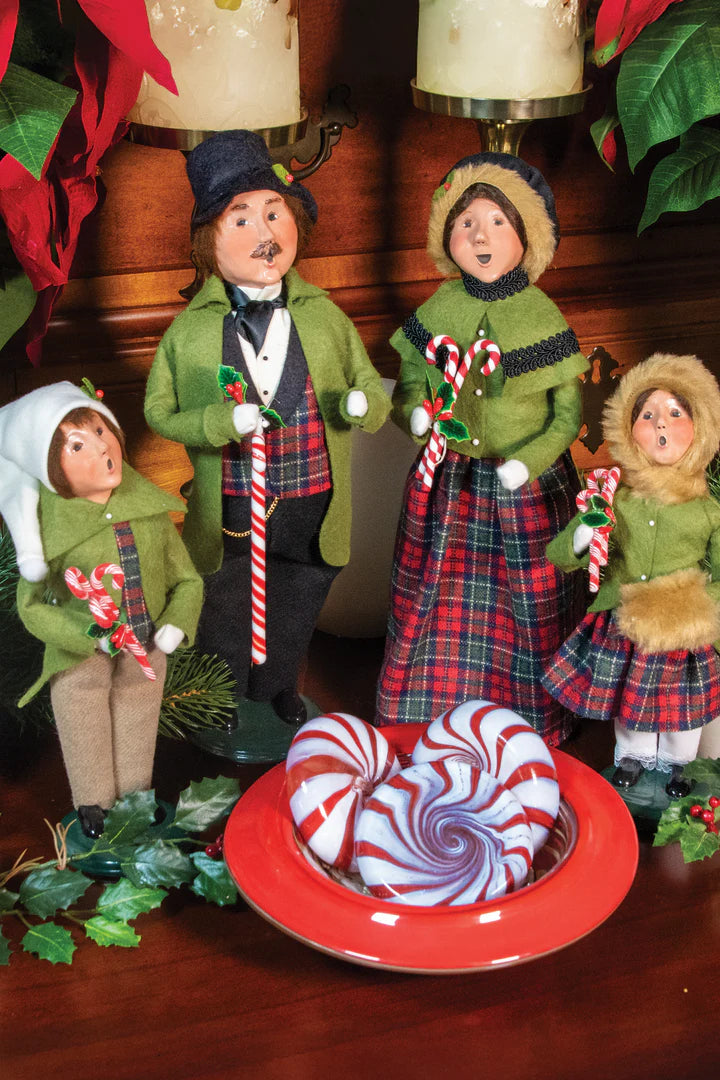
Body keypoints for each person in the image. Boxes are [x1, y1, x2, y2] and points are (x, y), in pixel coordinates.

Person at [144, 130, 391, 727]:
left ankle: (280, 685)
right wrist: (216, 420)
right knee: (227, 600)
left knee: (298, 596)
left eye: (275, 212)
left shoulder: (326, 318)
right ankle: (223, 694)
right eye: (241, 218)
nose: (265, 233)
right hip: (231, 504)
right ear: (208, 241)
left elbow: (369, 389)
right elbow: (158, 412)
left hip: (312, 498)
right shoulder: (189, 333)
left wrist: (361, 405)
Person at [376, 151, 588, 744]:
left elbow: (567, 417)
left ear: (526, 237)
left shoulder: (541, 318)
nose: (480, 236)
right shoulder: (438, 310)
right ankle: (423, 707)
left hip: (528, 489)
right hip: (449, 483)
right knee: (433, 591)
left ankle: (532, 714)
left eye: (497, 222)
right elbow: (409, 389)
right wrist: (417, 417)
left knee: (530, 601)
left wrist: (529, 461)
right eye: (466, 222)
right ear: (446, 238)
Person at [0, 382, 203, 837]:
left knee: (138, 716)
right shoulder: (47, 529)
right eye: (76, 445)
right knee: (82, 716)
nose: (100, 447)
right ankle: (92, 802)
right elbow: (30, 606)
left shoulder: (147, 510)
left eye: (99, 430)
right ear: (50, 467)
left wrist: (175, 623)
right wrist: (82, 635)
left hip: (146, 642)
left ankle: (135, 796)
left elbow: (187, 579)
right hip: (80, 655)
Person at [542, 352, 720, 798]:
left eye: (676, 413)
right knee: (631, 699)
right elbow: (560, 555)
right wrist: (584, 534)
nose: (661, 424)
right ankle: (632, 758)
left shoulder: (707, 511)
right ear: (627, 428)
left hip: (682, 628)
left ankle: (680, 764)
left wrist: (704, 611)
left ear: (701, 427)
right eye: (647, 414)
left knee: (682, 706)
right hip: (624, 620)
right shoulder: (614, 500)